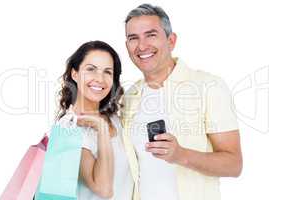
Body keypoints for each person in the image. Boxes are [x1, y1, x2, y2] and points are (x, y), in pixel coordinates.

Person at [121, 4, 243, 200]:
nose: (141, 46)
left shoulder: (208, 86)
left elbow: (234, 164)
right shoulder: (128, 97)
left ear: (171, 41)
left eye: (151, 35)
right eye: (133, 38)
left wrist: (181, 155)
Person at [57, 40, 133, 200]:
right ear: (75, 74)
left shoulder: (115, 119)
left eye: (107, 72)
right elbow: (103, 190)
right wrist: (102, 129)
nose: (100, 78)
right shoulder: (68, 128)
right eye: (91, 69)